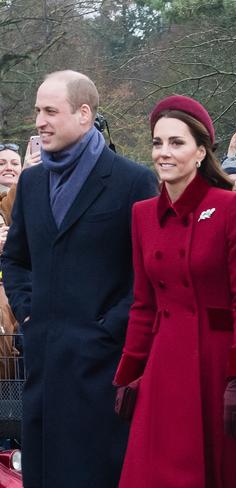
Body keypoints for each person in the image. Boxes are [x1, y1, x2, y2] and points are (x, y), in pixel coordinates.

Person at [113, 95, 236, 487]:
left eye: (176, 143)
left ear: (200, 152)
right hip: (164, 364)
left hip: (219, 363)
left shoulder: (230, 207)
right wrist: (128, 374)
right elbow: (144, 304)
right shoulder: (142, 214)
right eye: (157, 143)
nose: (163, 152)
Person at [1, 70, 158, 488]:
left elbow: (150, 274)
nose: (39, 121)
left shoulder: (132, 181)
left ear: (85, 114)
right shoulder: (30, 183)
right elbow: (15, 259)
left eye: (51, 111)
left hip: (103, 369)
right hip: (43, 366)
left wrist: (107, 330)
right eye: (37, 111)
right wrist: (29, 315)